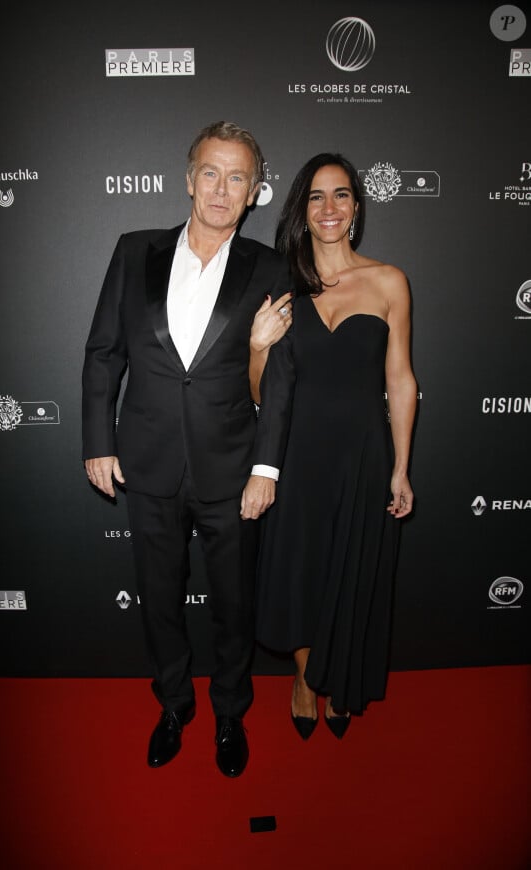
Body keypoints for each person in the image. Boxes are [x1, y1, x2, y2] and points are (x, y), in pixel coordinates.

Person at [82, 121, 292, 776]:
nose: (222, 188)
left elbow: (281, 378)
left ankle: (230, 711)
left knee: (233, 604)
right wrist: (97, 439)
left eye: (238, 177)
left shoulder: (272, 269)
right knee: (158, 598)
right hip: (146, 464)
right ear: (188, 178)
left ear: (256, 191)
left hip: (232, 471)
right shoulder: (133, 250)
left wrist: (265, 466)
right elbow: (103, 354)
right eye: (211, 172)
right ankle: (174, 703)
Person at [252, 152, 417, 740]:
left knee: (351, 574)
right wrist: (257, 347)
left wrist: (400, 468)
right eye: (316, 196)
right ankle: (305, 677)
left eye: (341, 195)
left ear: (356, 207)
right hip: (296, 456)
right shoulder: (283, 289)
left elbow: (400, 379)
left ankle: (337, 677)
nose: (329, 208)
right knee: (299, 574)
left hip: (363, 457)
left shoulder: (389, 280)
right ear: (302, 209)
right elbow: (261, 391)